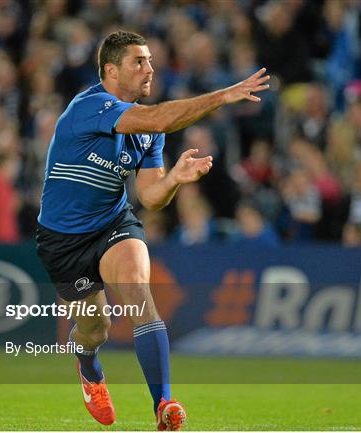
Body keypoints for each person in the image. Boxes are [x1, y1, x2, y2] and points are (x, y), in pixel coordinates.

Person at [36, 30, 269, 431]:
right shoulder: (89, 107)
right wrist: (220, 96)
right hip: (63, 239)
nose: (150, 69)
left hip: (112, 223)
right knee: (96, 329)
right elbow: (161, 115)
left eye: (150, 61)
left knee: (139, 291)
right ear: (110, 70)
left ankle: (164, 404)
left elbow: (150, 197)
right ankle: (88, 367)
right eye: (138, 62)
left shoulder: (148, 130)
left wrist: (175, 179)